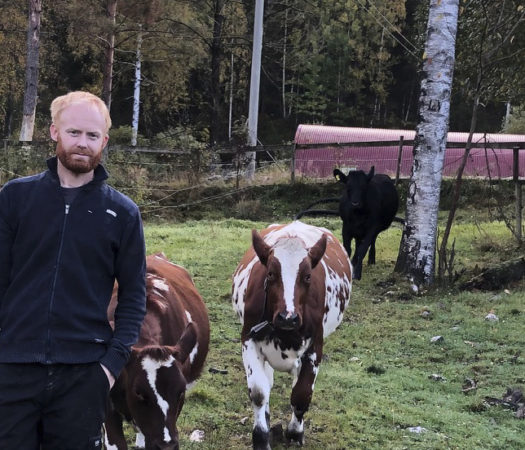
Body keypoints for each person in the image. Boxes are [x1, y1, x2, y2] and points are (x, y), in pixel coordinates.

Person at [0, 91, 147, 449]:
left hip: (83, 375)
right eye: (74, 132)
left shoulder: (122, 214)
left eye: (92, 136)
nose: (82, 143)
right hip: (13, 368)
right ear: (54, 133)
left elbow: (133, 296)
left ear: (105, 141)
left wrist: (110, 368)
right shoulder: (15, 198)